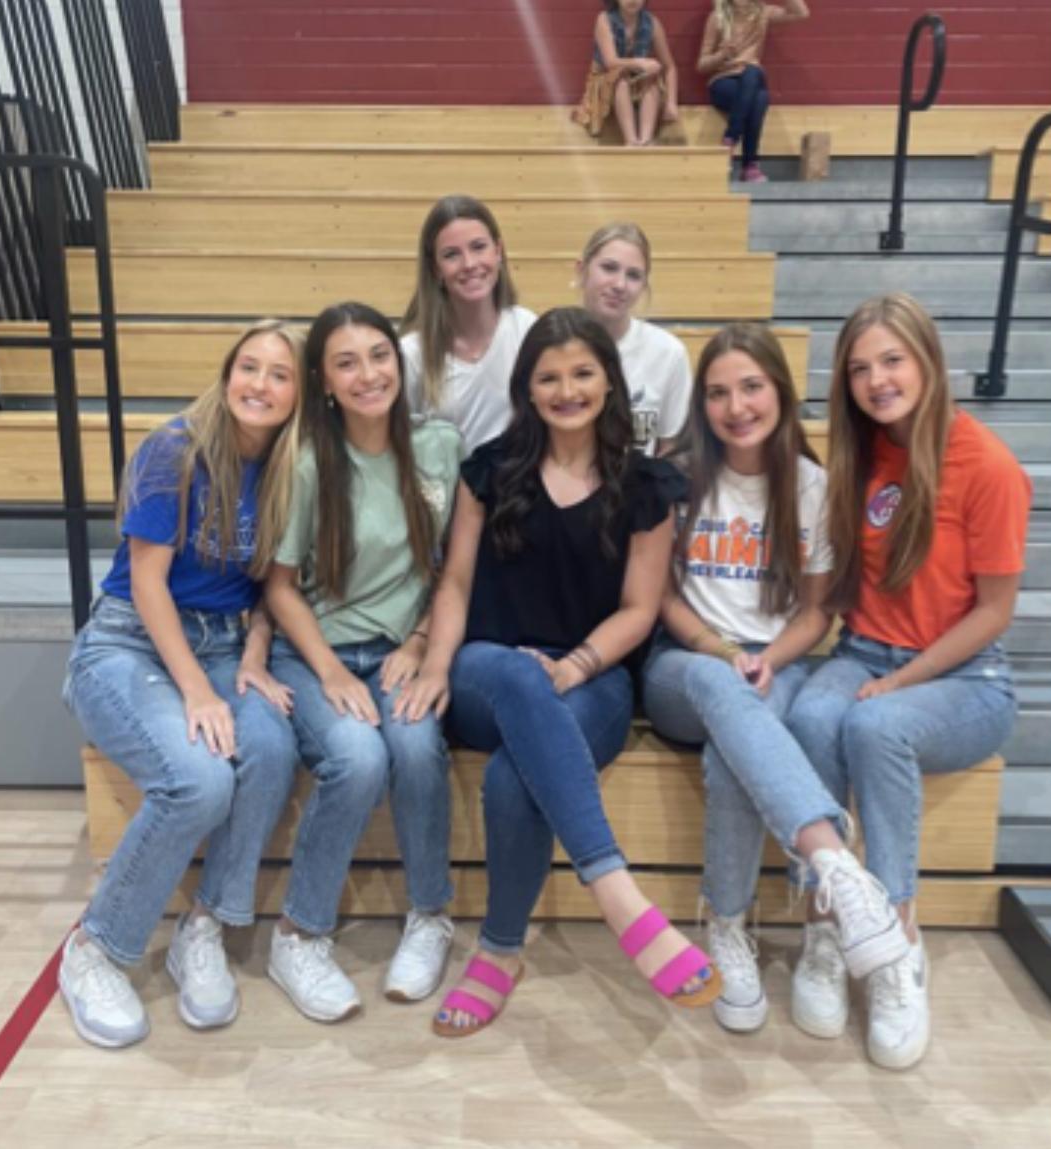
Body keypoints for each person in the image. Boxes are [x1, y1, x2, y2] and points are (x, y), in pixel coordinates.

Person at [396, 307, 721, 1037]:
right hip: (488, 668)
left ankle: (500, 951)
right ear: (527, 388)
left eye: (582, 373)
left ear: (609, 381)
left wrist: (574, 667)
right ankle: (619, 894)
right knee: (518, 676)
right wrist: (437, 662)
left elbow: (640, 609)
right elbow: (455, 581)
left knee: (517, 776)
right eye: (549, 377)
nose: (566, 390)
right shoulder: (489, 468)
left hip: (595, 677)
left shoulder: (647, 484)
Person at [785, 293, 1031, 1070]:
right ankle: (826, 925)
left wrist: (905, 681)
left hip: (965, 676)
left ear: (927, 359)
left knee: (874, 725)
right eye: (860, 368)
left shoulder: (987, 464)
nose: (877, 380)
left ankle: (896, 938)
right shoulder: (861, 454)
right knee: (811, 717)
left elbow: (994, 612)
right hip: (864, 651)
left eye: (892, 360)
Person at [641, 323, 907, 1034]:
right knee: (723, 692)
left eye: (752, 387)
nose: (736, 407)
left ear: (782, 394)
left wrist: (769, 659)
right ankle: (836, 863)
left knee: (734, 753)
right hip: (685, 661)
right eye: (718, 392)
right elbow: (658, 596)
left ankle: (726, 926)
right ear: (701, 404)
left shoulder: (814, 486)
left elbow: (817, 611)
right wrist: (719, 649)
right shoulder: (676, 477)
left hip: (777, 660)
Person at [59, 320, 304, 1049]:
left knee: (270, 747)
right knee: (199, 782)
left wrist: (253, 657)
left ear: (299, 394)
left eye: (280, 374)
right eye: (249, 367)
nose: (259, 384)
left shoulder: (290, 466)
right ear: (227, 374)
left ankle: (206, 926)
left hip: (225, 641)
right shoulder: (175, 450)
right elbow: (147, 583)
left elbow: (270, 589)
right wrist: (199, 690)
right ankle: (95, 947)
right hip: (130, 639)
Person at [264, 302, 464, 1024]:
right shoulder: (308, 462)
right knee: (357, 758)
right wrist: (330, 671)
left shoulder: (440, 446)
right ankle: (298, 933)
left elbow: (454, 569)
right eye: (346, 363)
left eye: (379, 355)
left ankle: (430, 914)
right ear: (323, 380)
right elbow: (279, 587)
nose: (368, 374)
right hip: (317, 652)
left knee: (414, 746)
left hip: (399, 650)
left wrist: (420, 642)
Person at [400, 195, 536, 455]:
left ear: (498, 251)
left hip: (520, 480)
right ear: (435, 269)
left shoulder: (526, 329)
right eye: (452, 255)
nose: (469, 264)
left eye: (478, 247)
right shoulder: (411, 354)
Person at [576, 222, 692, 455]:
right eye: (609, 268)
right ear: (582, 270)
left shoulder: (669, 353)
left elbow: (669, 447)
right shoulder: (552, 346)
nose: (620, 285)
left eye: (634, 275)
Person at [697, 0, 810, 183]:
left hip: (750, 80)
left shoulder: (762, 13)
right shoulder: (717, 18)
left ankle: (731, 138)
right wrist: (722, 55)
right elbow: (701, 65)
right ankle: (749, 164)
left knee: (757, 88)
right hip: (723, 82)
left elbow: (801, 13)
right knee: (757, 89)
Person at [573, 1, 680, 146]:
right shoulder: (605, 19)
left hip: (636, 79)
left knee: (652, 79)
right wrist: (640, 62)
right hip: (606, 79)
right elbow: (611, 62)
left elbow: (669, 66)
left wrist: (671, 103)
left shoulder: (652, 23)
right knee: (621, 80)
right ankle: (631, 141)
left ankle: (645, 139)